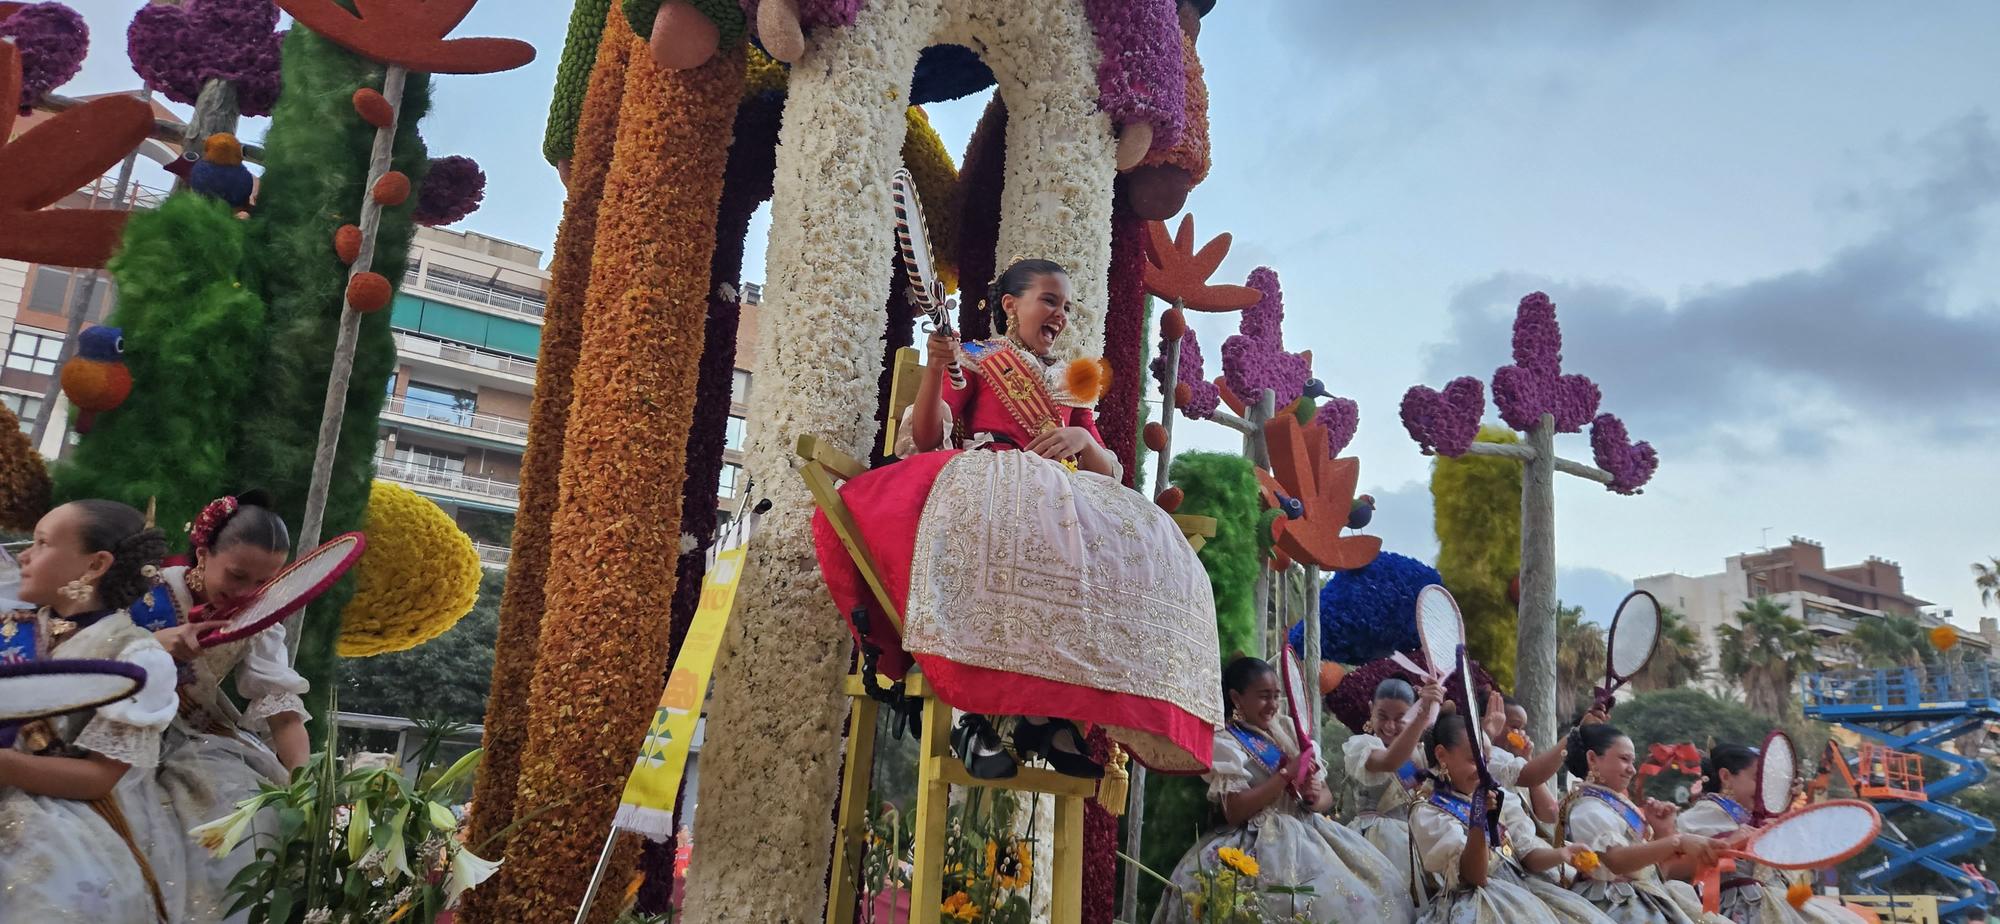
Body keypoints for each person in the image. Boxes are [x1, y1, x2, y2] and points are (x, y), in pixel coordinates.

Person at [812, 258, 1221, 776]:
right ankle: (968, 712)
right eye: (1049, 301)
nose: (1061, 316)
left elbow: (1107, 467)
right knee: (991, 531)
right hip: (992, 477)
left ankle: (1048, 713)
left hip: (1063, 494)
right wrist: (937, 368)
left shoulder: (1073, 381)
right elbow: (925, 436)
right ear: (1010, 304)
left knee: (1128, 547)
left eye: (1066, 307)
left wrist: (1078, 437)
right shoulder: (977, 359)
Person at [0, 500, 179, 921]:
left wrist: (5, 766)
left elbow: (100, 777)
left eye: (42, 543)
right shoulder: (15, 626)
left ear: (96, 565)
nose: (24, 555)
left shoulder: (135, 656)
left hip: (62, 816)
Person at [129, 491, 304, 921]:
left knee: (254, 827)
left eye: (262, 584)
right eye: (237, 576)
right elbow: (83, 651)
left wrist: (306, 784)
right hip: (122, 731)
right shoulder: (144, 589)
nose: (246, 594)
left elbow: (281, 709)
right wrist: (153, 647)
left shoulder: (261, 620)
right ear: (204, 554)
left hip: (201, 741)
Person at [1152, 657, 1414, 924]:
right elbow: (1234, 810)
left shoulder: (1288, 729)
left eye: (1276, 696)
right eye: (1264, 697)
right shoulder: (1227, 741)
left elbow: (1325, 797)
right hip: (1251, 844)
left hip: (1309, 835)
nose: (1273, 705)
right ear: (1237, 698)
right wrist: (1287, 773)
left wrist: (1314, 796)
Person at [1410, 714, 1615, 924]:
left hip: (1524, 890)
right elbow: (1474, 877)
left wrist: (1562, 854)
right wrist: (1478, 820)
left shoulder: (1499, 797)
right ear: (1442, 755)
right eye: (1473, 760)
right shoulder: (1429, 811)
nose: (1482, 771)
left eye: (1486, 761)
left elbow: (1526, 858)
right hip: (1478, 907)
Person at [1560, 723, 1730, 923]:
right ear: (1592, 759)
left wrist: (1661, 830)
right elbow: (1617, 861)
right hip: (1615, 903)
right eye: (1624, 759)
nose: (1632, 770)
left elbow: (1651, 870)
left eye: (1633, 761)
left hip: (1640, 895)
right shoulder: (1587, 808)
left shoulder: (1608, 805)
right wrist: (1677, 841)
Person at [1678, 744, 1866, 924]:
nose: (1764, 789)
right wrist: (1731, 844)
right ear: (1726, 776)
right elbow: (1679, 867)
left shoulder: (1755, 818)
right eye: (1757, 779)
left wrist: (1783, 809)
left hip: (1772, 907)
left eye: (1768, 783)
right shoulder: (1703, 815)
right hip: (1736, 911)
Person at [1343, 677, 1444, 894]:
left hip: (1416, 843)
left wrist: (1437, 708)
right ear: (1371, 709)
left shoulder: (1422, 751)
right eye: (1382, 716)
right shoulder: (1361, 746)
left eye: (1400, 718)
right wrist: (1420, 718)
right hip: (1372, 844)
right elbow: (1390, 761)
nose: (1389, 726)